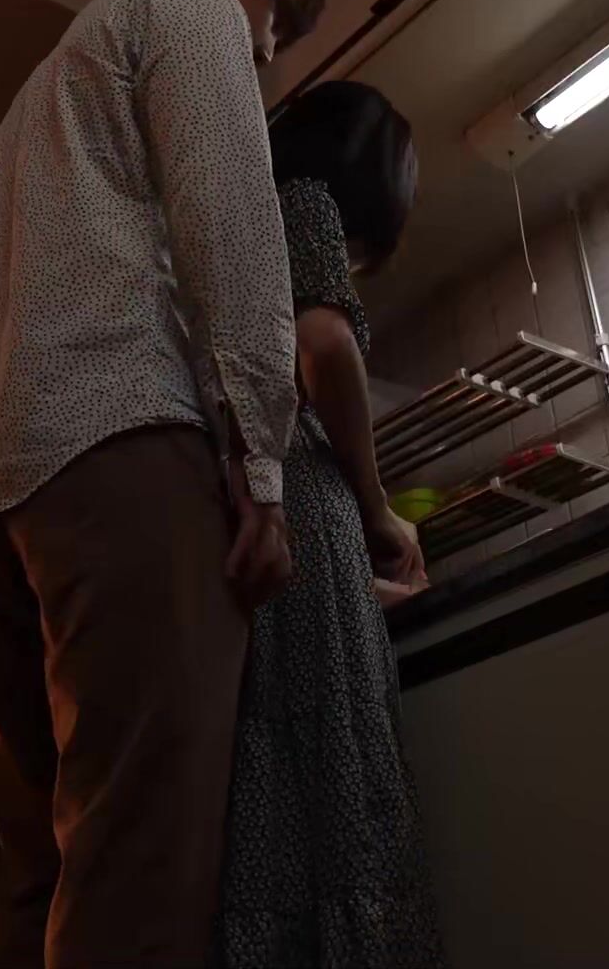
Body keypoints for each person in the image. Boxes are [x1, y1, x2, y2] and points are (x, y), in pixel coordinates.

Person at [0, 0, 326, 965]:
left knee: (33, 869)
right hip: (121, 450)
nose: (260, 58)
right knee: (138, 861)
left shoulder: (39, 95)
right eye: (269, 31)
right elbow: (231, 225)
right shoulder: (189, 6)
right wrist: (262, 466)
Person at [218, 80, 446, 967]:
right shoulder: (301, 204)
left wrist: (363, 593)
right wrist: (379, 509)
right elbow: (324, 345)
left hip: (272, 538)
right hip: (304, 502)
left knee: (282, 798)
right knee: (346, 795)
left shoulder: (232, 234)